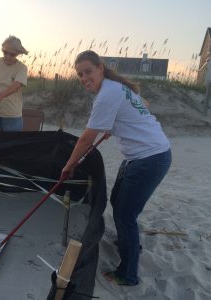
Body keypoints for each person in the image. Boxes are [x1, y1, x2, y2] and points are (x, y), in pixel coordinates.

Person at [61, 50, 172, 286]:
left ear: (100, 67)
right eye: (80, 74)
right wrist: (113, 125)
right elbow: (135, 110)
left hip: (149, 158)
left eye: (88, 71)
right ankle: (129, 241)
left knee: (125, 214)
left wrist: (69, 165)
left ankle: (128, 274)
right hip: (142, 155)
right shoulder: (115, 87)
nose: (84, 78)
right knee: (118, 203)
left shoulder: (108, 94)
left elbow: (86, 139)